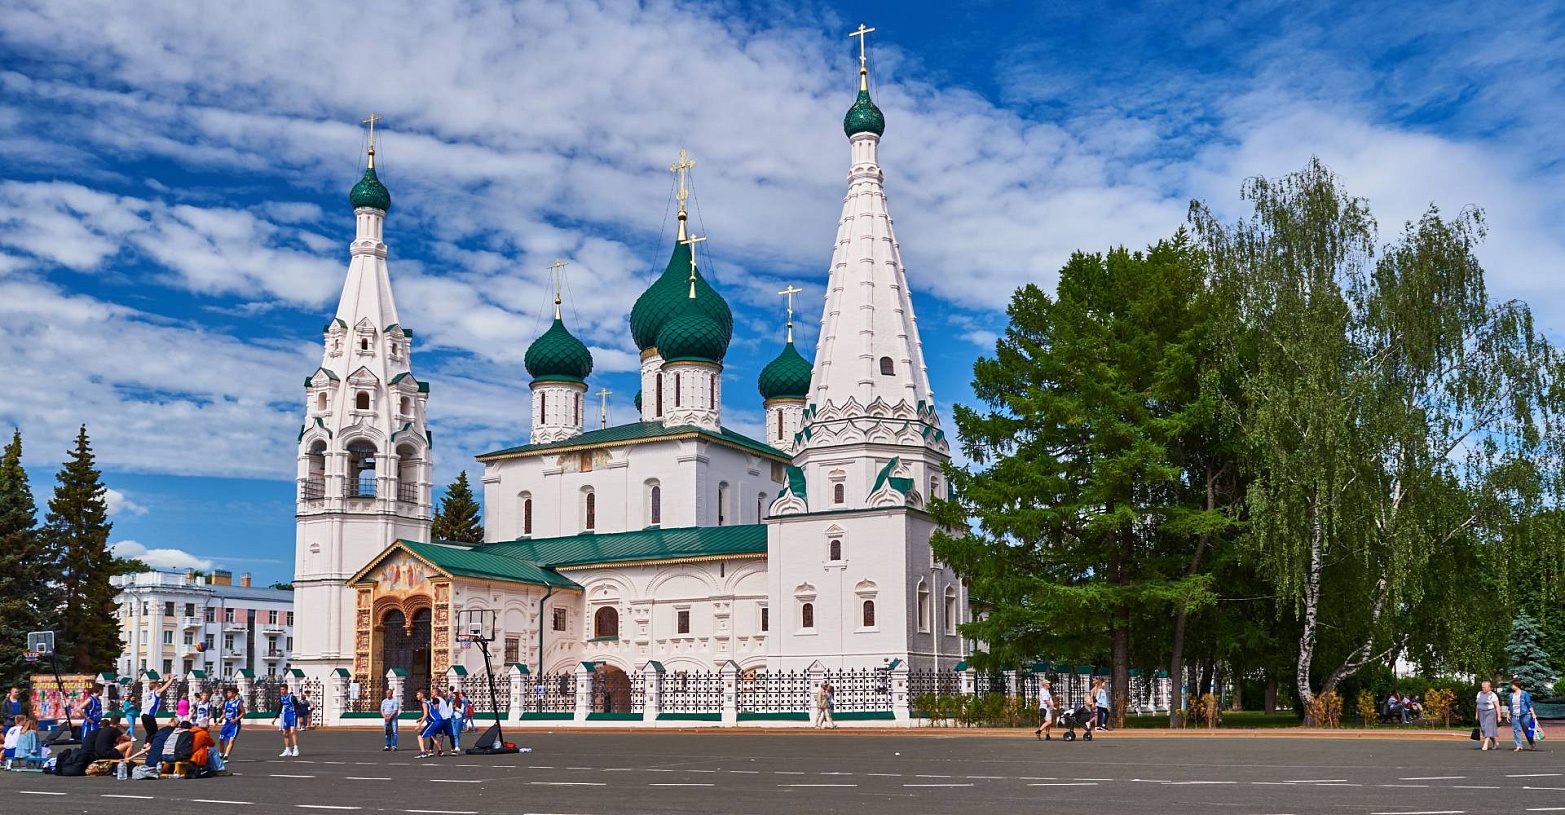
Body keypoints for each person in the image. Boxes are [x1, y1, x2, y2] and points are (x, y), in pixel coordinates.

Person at [1504, 677, 1536, 753]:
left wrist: (1533, 713)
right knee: (1516, 730)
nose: (1512, 686)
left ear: (1516, 685)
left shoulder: (1524, 694)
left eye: (1512, 685)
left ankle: (1531, 742)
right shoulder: (1511, 695)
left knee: (1526, 730)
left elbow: (1528, 704)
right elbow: (1510, 705)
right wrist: (1508, 714)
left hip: (1524, 714)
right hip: (1514, 715)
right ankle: (1519, 746)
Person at [140, 675, 176, 743]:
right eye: (158, 686)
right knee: (154, 733)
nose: (159, 687)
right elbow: (166, 686)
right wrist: (172, 678)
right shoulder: (156, 692)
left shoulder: (149, 693)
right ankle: (149, 745)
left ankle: (145, 745)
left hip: (144, 715)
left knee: (150, 733)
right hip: (149, 716)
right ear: (154, 687)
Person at [416, 689, 445, 759]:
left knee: (420, 736)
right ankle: (440, 751)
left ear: (422, 695)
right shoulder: (429, 702)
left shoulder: (424, 703)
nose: (416, 696)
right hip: (440, 720)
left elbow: (426, 714)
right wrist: (421, 718)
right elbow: (431, 712)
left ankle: (423, 752)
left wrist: (419, 725)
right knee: (433, 735)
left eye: (418, 694)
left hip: (434, 722)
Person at [273, 683, 300, 757]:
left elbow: (297, 707)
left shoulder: (292, 698)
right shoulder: (281, 698)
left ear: (286, 689)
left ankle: (296, 749)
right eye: (281, 689)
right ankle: (287, 750)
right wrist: (275, 718)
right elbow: (280, 708)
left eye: (283, 689)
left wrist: (299, 716)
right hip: (286, 716)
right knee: (285, 733)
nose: (281, 691)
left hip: (292, 715)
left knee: (292, 732)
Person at [218, 687, 245, 759]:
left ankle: (226, 755)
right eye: (227, 692)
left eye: (229, 692)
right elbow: (224, 713)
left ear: (233, 694)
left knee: (231, 740)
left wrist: (236, 719)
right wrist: (218, 720)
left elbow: (243, 713)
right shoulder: (226, 703)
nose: (227, 694)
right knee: (220, 740)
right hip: (227, 724)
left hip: (235, 725)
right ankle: (221, 754)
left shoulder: (238, 703)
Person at [1476, 680, 1501, 751]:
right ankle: (1495, 742)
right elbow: (1478, 704)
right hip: (1481, 712)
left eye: (1485, 687)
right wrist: (1476, 714)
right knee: (1484, 729)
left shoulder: (1493, 695)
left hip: (1490, 713)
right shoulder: (1479, 693)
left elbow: (1497, 706)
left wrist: (1499, 716)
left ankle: (1485, 744)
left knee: (1488, 728)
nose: (1483, 688)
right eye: (1482, 687)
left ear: (1489, 687)